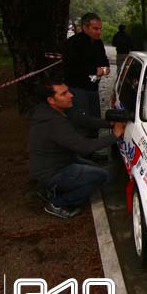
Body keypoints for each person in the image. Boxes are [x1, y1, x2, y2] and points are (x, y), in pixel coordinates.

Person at [28, 78, 126, 218]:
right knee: (100, 176)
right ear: (51, 100)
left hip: (59, 161)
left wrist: (109, 123)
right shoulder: (53, 122)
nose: (71, 95)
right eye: (64, 94)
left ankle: (48, 189)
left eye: (68, 91)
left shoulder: (54, 110)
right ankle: (58, 203)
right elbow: (85, 147)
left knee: (95, 169)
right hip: (53, 171)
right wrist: (115, 135)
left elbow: (84, 120)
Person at [63, 12, 110, 137]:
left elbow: (104, 59)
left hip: (93, 87)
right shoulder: (73, 43)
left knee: (95, 118)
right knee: (81, 120)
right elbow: (71, 66)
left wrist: (106, 68)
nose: (99, 32)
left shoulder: (98, 43)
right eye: (95, 28)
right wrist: (94, 70)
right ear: (85, 27)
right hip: (77, 87)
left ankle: (93, 142)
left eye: (100, 29)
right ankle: (81, 146)